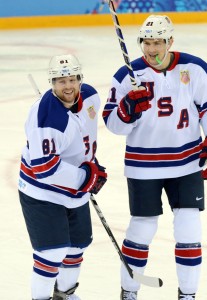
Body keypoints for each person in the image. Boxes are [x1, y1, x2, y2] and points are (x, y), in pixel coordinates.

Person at [102, 15, 207, 300]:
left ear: (170, 41)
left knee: (189, 227)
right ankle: (129, 291)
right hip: (143, 166)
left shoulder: (194, 68)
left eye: (158, 42)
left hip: (186, 162)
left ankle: (188, 294)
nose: (151, 49)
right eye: (146, 42)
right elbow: (112, 124)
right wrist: (127, 110)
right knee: (142, 229)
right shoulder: (128, 75)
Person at [18, 54, 107, 300]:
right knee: (52, 252)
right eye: (60, 81)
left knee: (77, 247)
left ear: (80, 79)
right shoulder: (47, 119)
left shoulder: (90, 97)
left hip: (75, 190)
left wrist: (91, 165)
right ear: (51, 83)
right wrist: (86, 176)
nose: (67, 86)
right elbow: (44, 169)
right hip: (41, 191)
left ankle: (65, 294)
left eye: (72, 79)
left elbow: (84, 137)